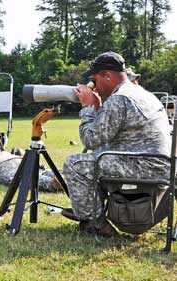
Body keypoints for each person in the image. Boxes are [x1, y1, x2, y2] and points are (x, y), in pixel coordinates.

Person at [62, 51, 170, 237]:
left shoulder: (120, 98)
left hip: (145, 167)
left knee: (75, 164)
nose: (94, 85)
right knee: (97, 156)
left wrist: (87, 107)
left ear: (108, 76)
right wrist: (98, 107)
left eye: (95, 80)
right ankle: (87, 208)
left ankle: (95, 223)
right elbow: (108, 134)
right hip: (158, 163)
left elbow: (90, 139)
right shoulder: (139, 92)